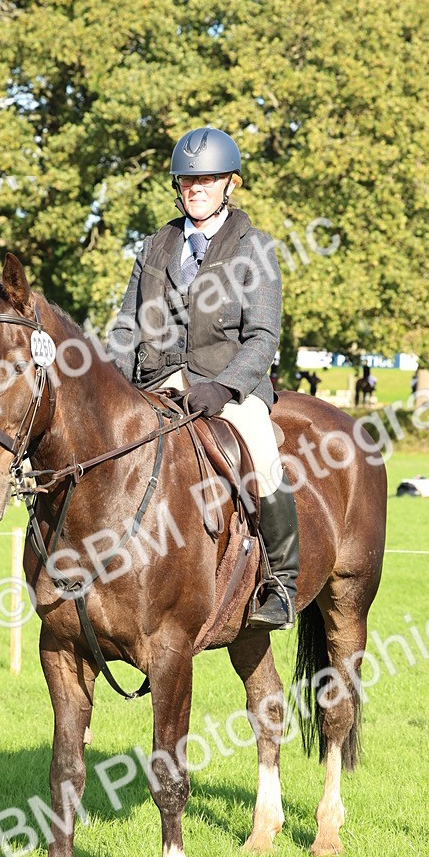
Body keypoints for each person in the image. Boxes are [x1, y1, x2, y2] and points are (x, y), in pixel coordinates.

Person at [107, 126, 298, 629]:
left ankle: (281, 582)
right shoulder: (155, 246)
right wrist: (113, 392)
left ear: (229, 184)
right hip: (157, 384)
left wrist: (224, 386)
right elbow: (128, 328)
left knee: (261, 450)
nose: (196, 188)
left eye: (208, 179)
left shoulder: (254, 247)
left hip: (227, 387)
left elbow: (263, 337)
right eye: (188, 180)